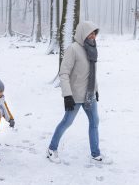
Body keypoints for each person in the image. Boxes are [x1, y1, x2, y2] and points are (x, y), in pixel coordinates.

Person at [46, 21, 111, 164]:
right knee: (67, 122)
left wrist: (96, 90)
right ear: (82, 33)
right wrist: (67, 95)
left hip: (89, 95)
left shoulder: (92, 48)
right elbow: (64, 73)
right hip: (74, 96)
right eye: (90, 33)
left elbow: (92, 73)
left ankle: (95, 153)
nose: (93, 36)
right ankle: (52, 148)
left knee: (94, 122)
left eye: (95, 33)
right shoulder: (73, 49)